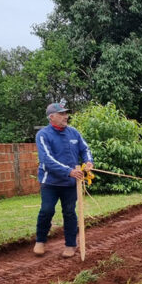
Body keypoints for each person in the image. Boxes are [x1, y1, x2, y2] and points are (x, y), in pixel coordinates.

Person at [33, 103, 94, 258]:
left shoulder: (74, 133)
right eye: (61, 114)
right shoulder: (43, 135)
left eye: (66, 113)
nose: (65, 116)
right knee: (46, 210)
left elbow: (85, 149)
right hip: (50, 183)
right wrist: (69, 171)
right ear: (51, 117)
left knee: (69, 212)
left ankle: (70, 245)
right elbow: (46, 159)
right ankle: (40, 241)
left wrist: (88, 161)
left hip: (70, 183)